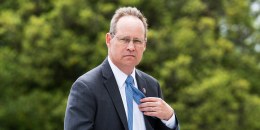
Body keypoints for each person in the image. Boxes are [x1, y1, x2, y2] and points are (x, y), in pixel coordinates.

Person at [64, 6, 180, 130]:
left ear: (145, 45)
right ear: (109, 39)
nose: (131, 47)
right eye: (125, 39)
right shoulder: (86, 87)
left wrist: (170, 118)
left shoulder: (152, 86)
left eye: (137, 41)